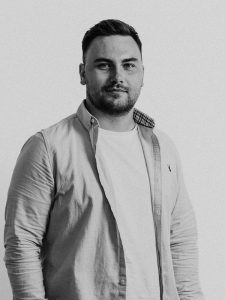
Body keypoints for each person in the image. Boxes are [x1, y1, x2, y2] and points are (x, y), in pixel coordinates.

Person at [4, 19, 204, 300]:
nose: (117, 76)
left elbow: (180, 240)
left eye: (128, 65)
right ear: (82, 72)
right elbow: (22, 243)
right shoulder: (48, 147)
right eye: (104, 65)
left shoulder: (163, 148)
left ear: (142, 73)